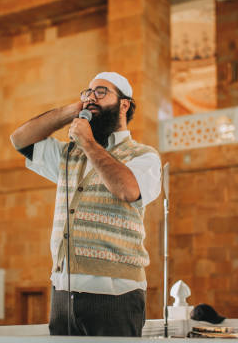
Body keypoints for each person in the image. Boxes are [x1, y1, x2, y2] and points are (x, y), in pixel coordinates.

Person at [9, 72, 162, 337]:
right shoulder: (70, 155)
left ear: (124, 104)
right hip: (62, 294)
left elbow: (127, 189)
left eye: (101, 92)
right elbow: (20, 140)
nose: (92, 97)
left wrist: (88, 142)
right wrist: (74, 109)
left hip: (115, 296)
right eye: (88, 93)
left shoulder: (143, 155)